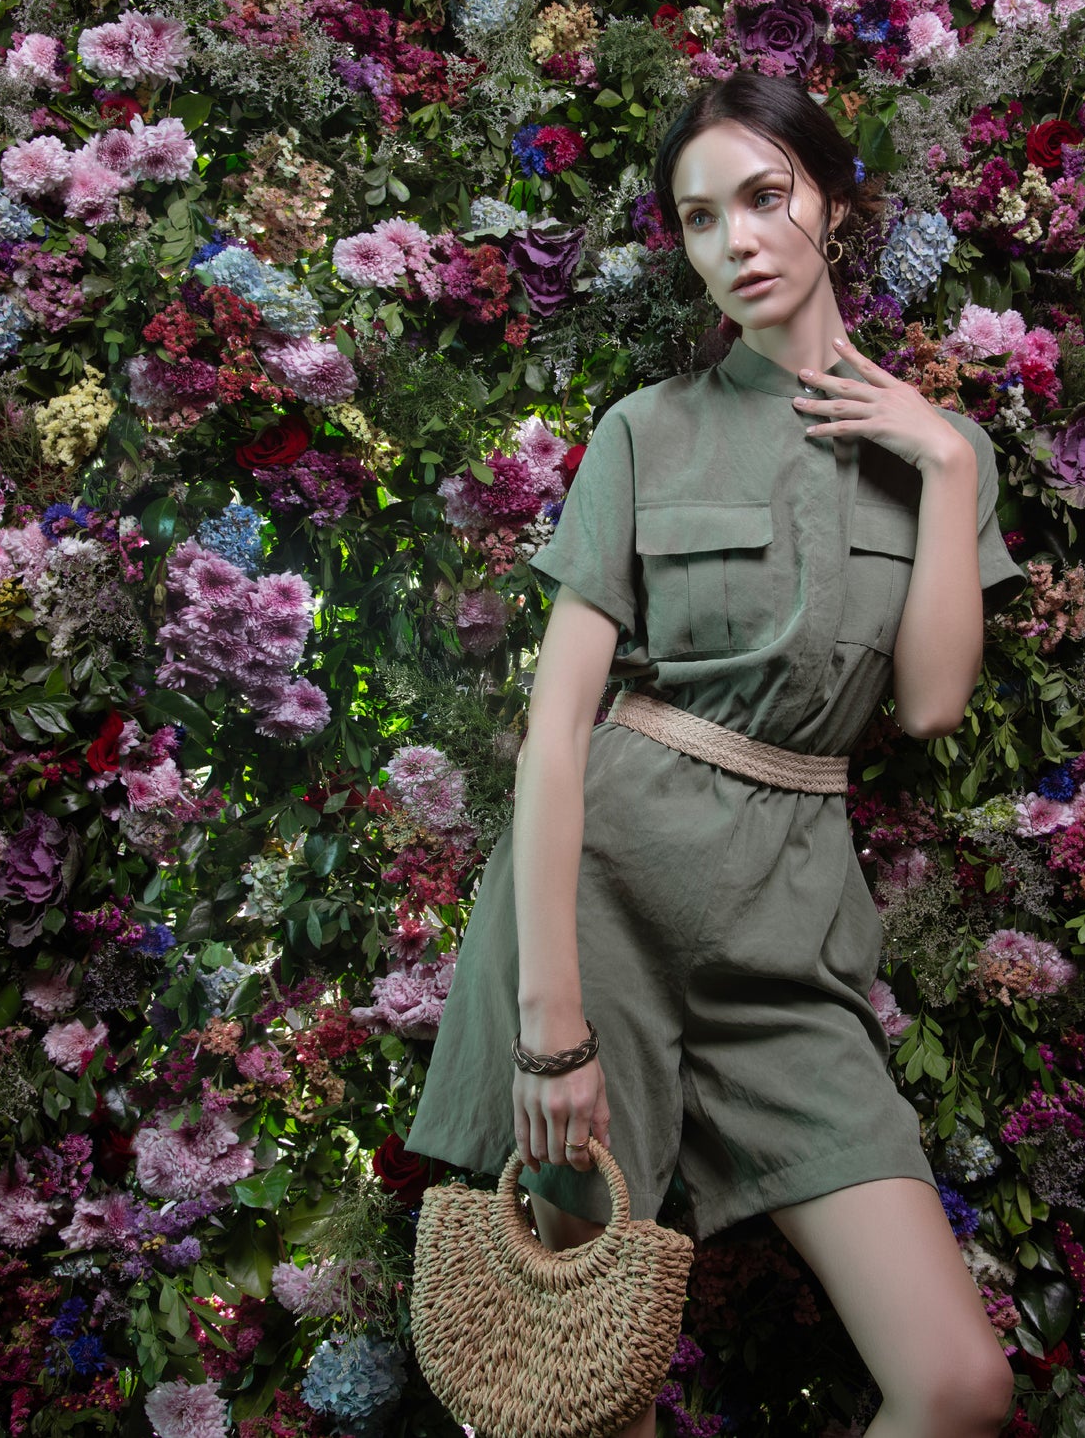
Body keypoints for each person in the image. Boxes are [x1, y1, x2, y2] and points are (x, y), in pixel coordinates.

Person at [406, 70, 1027, 1438]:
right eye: (700, 218)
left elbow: (929, 704)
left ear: (834, 205)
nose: (736, 241)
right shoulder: (649, 429)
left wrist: (942, 464)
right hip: (604, 900)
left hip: (792, 919)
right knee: (585, 1389)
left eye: (764, 197)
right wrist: (549, 1028)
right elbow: (556, 728)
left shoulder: (947, 453)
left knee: (957, 1386)